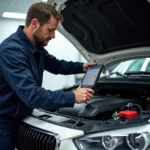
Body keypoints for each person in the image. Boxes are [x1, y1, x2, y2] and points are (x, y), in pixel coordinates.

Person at [0, 2, 97, 150]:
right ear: (34, 23)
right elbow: (32, 95)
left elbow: (56, 65)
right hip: (3, 123)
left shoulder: (35, 47)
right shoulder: (11, 51)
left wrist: (82, 67)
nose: (53, 36)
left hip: (23, 118)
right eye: (50, 30)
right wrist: (72, 97)